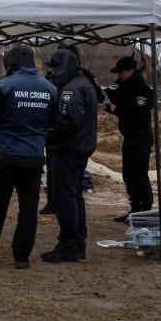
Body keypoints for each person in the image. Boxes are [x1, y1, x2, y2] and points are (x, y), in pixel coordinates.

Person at [0, 45, 57, 269]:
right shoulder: (50, 88)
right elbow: (53, 123)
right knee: (28, 208)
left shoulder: (3, 86)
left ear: (10, 63)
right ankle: (22, 256)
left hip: (5, 154)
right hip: (34, 156)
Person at [40, 49, 98, 263]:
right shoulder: (82, 82)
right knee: (74, 195)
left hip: (68, 149)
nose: (51, 72)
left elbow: (68, 123)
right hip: (77, 147)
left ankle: (70, 244)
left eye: (53, 68)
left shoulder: (71, 90)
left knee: (65, 198)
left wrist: (48, 136)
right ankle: (76, 242)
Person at [104, 55, 154, 222]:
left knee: (140, 174)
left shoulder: (143, 91)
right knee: (128, 174)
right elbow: (110, 94)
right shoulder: (122, 85)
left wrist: (116, 109)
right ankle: (135, 209)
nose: (118, 76)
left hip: (141, 137)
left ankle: (145, 211)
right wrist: (106, 105)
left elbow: (138, 115)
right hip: (129, 137)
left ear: (131, 71)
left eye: (121, 73)